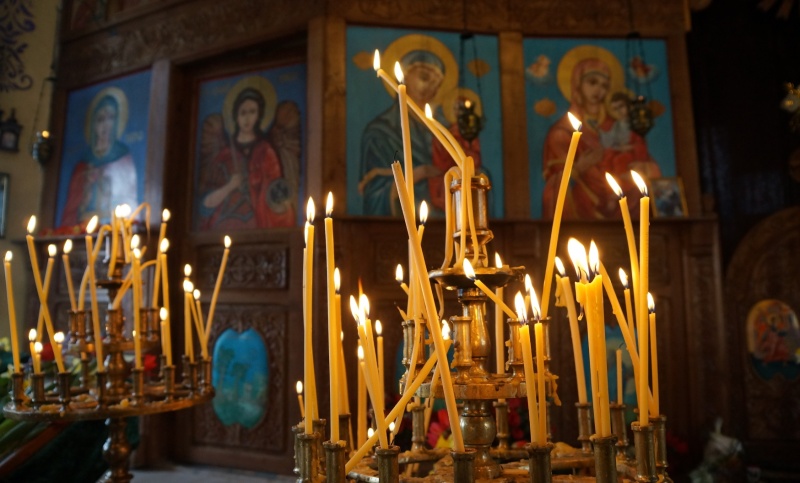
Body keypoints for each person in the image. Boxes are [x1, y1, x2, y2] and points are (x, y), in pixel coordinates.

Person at [542, 57, 661, 220]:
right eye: (592, 82)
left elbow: (645, 159)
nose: (599, 90)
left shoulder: (616, 125)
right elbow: (554, 186)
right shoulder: (561, 132)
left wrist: (645, 168)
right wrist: (578, 169)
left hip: (625, 205)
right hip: (584, 209)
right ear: (577, 84)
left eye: (604, 86)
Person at [359, 50, 449, 216]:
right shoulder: (381, 131)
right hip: (401, 225)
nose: (430, 87)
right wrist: (418, 174)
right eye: (424, 77)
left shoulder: (445, 129)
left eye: (437, 84)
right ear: (405, 76)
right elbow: (374, 191)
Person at [199, 86, 295, 230]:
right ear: (236, 116)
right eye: (243, 112)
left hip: (258, 221)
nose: (247, 118)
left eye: (252, 112)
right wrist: (230, 186)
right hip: (225, 223)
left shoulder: (266, 152)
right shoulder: (224, 155)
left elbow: (276, 194)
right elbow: (205, 205)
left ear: (259, 115)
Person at [61, 92, 138, 227]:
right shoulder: (83, 164)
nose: (106, 125)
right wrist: (86, 189)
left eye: (111, 118)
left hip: (112, 229)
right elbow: (71, 210)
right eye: (101, 119)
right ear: (93, 124)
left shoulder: (123, 158)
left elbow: (130, 204)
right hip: (83, 229)